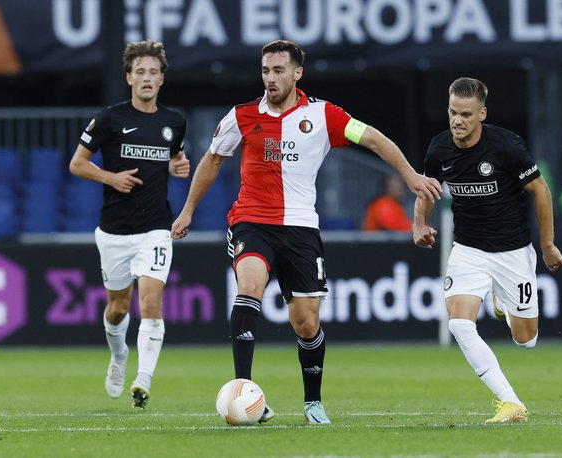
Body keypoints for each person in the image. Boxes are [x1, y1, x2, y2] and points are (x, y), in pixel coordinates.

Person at [171, 39, 442, 425]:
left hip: (300, 227)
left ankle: (312, 402)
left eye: (279, 70)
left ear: (298, 73)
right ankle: (244, 392)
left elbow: (374, 139)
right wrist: (188, 211)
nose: (270, 78)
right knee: (249, 286)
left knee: (307, 323)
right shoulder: (242, 116)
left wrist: (410, 175)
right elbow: (212, 160)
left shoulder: (324, 115)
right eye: (265, 70)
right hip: (252, 220)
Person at [413, 77, 562, 423]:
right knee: (459, 324)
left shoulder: (507, 147)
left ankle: (502, 302)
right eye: (453, 112)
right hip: (468, 250)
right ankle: (511, 402)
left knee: (525, 339)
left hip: (513, 252)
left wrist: (547, 245)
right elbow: (426, 189)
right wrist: (419, 224)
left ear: (482, 113)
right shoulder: (439, 148)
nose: (457, 120)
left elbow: (541, 191)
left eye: (466, 114)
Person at [69, 39, 190, 409]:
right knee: (119, 308)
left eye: (153, 72)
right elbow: (77, 163)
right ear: (129, 77)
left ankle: (143, 380)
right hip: (114, 231)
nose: (147, 78)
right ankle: (119, 357)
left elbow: (175, 158)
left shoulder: (174, 122)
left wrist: (177, 166)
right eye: (140, 72)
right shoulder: (110, 119)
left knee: (151, 302)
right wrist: (111, 178)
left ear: (162, 79)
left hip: (156, 227)